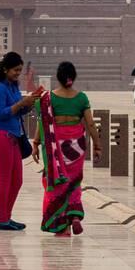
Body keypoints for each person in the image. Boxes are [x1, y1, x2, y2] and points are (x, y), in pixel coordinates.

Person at [32, 60, 101, 236]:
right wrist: (98, 146)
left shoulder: (48, 98)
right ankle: (74, 214)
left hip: (56, 147)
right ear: (74, 77)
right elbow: (91, 124)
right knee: (74, 180)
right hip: (77, 146)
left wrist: (35, 143)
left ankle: (61, 224)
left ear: (58, 77)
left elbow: (43, 122)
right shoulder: (81, 98)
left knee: (56, 181)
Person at [0, 51, 39, 231]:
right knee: (4, 179)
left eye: (20, 70)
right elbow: (0, 113)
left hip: (14, 136)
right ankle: (2, 219)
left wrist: (30, 103)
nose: (18, 73)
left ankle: (7, 216)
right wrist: (21, 104)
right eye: (15, 70)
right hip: (1, 136)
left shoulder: (13, 87)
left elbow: (18, 111)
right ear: (5, 69)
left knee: (17, 180)